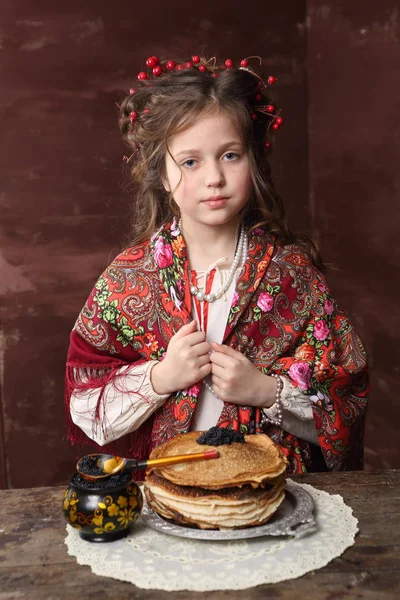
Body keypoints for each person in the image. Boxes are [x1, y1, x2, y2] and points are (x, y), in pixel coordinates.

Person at [65, 55, 369, 474]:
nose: (214, 178)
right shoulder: (130, 279)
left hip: (273, 488)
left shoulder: (291, 272)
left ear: (253, 161)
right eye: (190, 161)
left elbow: (348, 400)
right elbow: (86, 404)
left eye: (229, 155)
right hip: (175, 489)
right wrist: (161, 377)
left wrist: (267, 391)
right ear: (163, 175)